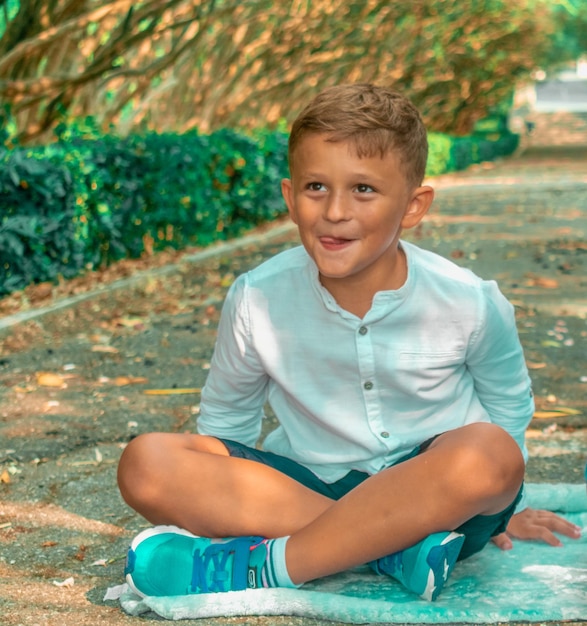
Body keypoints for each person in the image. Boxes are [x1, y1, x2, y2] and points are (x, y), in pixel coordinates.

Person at [117, 84, 581, 602]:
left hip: (439, 497)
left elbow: (508, 408)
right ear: (291, 199)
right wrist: (210, 498)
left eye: (363, 190)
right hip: (303, 487)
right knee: (146, 462)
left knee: (490, 453)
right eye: (317, 187)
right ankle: (395, 551)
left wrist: (506, 510)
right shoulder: (256, 297)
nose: (335, 210)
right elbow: (228, 421)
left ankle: (270, 567)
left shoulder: (470, 300)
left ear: (413, 205)